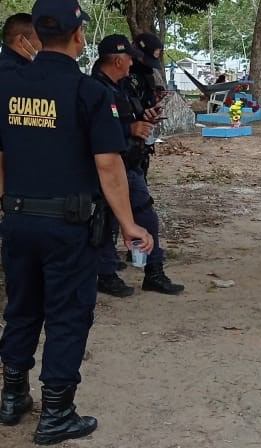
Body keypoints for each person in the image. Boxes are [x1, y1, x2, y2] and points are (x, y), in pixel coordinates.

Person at [0, 0, 153, 444]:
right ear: (79, 36)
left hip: (18, 219)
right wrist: (129, 224)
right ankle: (56, 413)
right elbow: (108, 166)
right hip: (68, 227)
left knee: (22, 307)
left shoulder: (7, 86)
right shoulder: (90, 93)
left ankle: (12, 396)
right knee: (67, 315)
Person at [98, 33, 184, 297]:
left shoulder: (122, 86)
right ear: (117, 61)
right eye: (129, 59)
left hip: (130, 162)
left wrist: (143, 117)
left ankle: (151, 270)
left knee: (141, 213)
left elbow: (127, 116)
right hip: (111, 165)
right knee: (108, 219)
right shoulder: (96, 89)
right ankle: (108, 274)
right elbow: (96, 130)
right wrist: (130, 128)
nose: (132, 64)